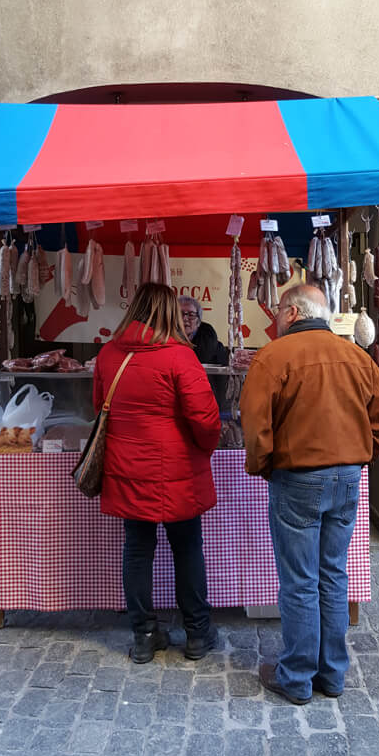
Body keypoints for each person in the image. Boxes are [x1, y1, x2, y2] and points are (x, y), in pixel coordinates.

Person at [240, 283, 379, 706]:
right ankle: (332, 675)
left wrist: (266, 467)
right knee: (332, 575)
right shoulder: (358, 358)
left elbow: (254, 424)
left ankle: (297, 677)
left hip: (298, 477)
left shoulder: (273, 356)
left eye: (277, 314)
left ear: (290, 313)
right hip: (345, 477)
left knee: (300, 581)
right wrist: (356, 460)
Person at [90, 282, 222, 664]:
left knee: (136, 550)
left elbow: (99, 407)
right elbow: (206, 419)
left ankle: (144, 635)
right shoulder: (180, 356)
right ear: (167, 312)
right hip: (178, 471)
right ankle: (197, 634)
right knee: (187, 548)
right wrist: (203, 447)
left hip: (127, 469)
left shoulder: (108, 354)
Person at [178, 296, 230, 366]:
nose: (185, 318)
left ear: (198, 322)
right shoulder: (165, 338)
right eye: (180, 314)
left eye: (191, 315)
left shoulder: (211, 343)